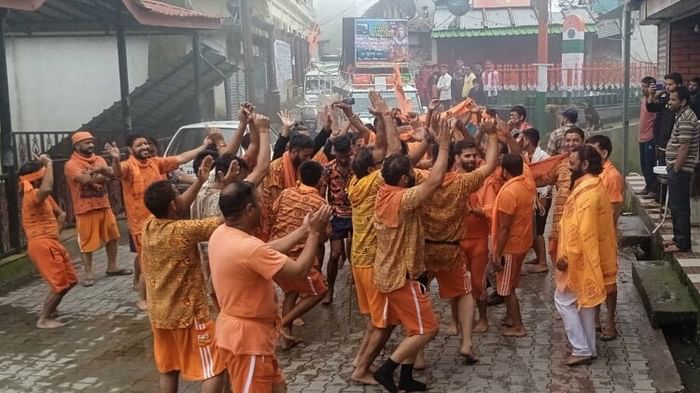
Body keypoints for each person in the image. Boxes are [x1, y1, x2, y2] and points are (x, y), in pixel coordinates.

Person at [208, 180, 331, 393]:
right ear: (249, 210)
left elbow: (267, 249)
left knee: (279, 388)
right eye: (260, 202)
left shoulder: (222, 234)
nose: (264, 207)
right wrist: (314, 233)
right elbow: (300, 270)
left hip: (242, 333)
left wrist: (304, 229)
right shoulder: (249, 248)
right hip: (248, 341)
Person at [371, 116, 453, 393]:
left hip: (391, 273)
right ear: (404, 178)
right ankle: (386, 371)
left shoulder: (382, 190)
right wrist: (443, 146)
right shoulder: (403, 199)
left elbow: (398, 154)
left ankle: (406, 378)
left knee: (411, 326)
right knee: (428, 329)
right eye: (411, 172)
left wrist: (426, 139)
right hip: (402, 277)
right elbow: (437, 179)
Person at [140, 156, 226, 393]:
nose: (181, 196)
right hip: (190, 315)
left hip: (159, 315)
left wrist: (198, 182)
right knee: (214, 368)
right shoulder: (184, 231)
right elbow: (224, 219)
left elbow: (179, 208)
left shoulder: (148, 225)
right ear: (173, 206)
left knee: (169, 369)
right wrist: (227, 188)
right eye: (177, 195)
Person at [418, 119, 499, 361]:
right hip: (451, 249)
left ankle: (418, 354)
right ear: (454, 158)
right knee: (465, 293)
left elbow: (396, 161)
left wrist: (431, 141)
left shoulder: (419, 179)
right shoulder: (461, 183)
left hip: (424, 250)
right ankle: (466, 343)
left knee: (419, 296)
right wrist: (493, 135)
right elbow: (492, 163)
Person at [118, 133, 213, 310]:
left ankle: (137, 283)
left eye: (146, 143)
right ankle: (142, 299)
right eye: (139, 145)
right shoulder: (127, 167)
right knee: (147, 262)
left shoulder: (156, 162)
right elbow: (116, 172)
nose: (145, 147)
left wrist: (203, 146)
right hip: (142, 225)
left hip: (161, 218)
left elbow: (181, 157)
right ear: (131, 150)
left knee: (143, 258)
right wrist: (115, 160)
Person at [555, 145, 616, 366]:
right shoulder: (591, 186)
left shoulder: (588, 193)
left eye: (572, 164)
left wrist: (567, 257)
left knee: (562, 301)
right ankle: (588, 347)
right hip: (588, 257)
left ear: (585, 164)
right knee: (587, 305)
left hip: (580, 258)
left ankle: (581, 348)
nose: (569, 168)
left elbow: (585, 233)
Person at [269, 160, 329, 347]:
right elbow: (326, 235)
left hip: (275, 254)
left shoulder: (286, 193)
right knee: (321, 291)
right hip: (296, 260)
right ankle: (283, 323)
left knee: (292, 291)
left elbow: (273, 213)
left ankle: (286, 337)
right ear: (320, 180)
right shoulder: (320, 203)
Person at [64, 131, 130, 287]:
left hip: (104, 205)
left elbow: (113, 173)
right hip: (85, 209)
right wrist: (104, 173)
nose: (91, 145)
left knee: (113, 237)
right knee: (86, 244)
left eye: (92, 142)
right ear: (77, 145)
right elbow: (85, 179)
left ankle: (112, 266)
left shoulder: (99, 159)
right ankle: (88, 274)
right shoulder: (71, 164)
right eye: (87, 143)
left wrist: (111, 163)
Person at [19, 155, 78, 329]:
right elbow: (47, 188)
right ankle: (44, 319)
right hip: (41, 244)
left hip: (50, 242)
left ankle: (51, 310)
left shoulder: (43, 197)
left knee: (71, 280)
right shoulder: (32, 195)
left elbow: (62, 215)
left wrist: (54, 235)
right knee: (59, 286)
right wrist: (49, 164)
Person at [491, 154, 535, 338]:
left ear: (504, 171)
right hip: (522, 243)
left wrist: (497, 254)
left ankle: (518, 326)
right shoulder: (527, 184)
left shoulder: (509, 192)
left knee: (506, 289)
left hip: (510, 247)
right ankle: (510, 318)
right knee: (510, 283)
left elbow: (504, 227)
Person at [586, 134, 624, 342]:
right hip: (590, 238)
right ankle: (596, 320)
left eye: (593, 150)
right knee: (593, 278)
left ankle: (610, 322)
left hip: (604, 239)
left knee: (608, 283)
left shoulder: (612, 177)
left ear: (604, 153)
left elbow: (614, 210)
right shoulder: (593, 174)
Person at [535, 127, 585, 265]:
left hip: (580, 221)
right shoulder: (560, 163)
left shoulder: (589, 165)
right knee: (559, 261)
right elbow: (542, 179)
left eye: (575, 140)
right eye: (568, 140)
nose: (571, 143)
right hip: (560, 220)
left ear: (583, 141)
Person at [319, 134, 354, 305]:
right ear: (335, 153)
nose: (344, 159)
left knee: (356, 253)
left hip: (356, 214)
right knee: (334, 254)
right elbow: (321, 195)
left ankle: (358, 283)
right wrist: (325, 221)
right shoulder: (328, 168)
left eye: (346, 155)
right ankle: (330, 288)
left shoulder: (358, 165)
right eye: (340, 156)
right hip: (336, 214)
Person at [664, 86, 700, 253]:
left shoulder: (686, 118)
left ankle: (682, 243)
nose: (670, 103)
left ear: (683, 101)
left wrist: (676, 168)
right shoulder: (682, 115)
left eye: (673, 100)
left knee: (680, 206)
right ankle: (677, 237)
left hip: (680, 170)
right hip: (676, 168)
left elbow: (684, 147)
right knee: (675, 205)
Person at [261, 133, 316, 240]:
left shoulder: (299, 166)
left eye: (310, 156)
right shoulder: (276, 167)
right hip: (274, 221)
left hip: (291, 218)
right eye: (305, 156)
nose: (308, 159)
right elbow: (277, 202)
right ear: (294, 151)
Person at [520, 128, 551, 274]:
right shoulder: (526, 156)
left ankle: (543, 262)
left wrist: (542, 198)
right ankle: (539, 258)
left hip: (542, 198)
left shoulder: (543, 156)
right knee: (533, 230)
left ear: (527, 140)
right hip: (532, 197)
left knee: (538, 231)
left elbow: (548, 178)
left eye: (522, 138)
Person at [647, 72, 683, 162]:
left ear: (679, 85)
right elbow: (652, 108)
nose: (667, 87)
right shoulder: (666, 99)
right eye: (666, 84)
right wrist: (651, 95)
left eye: (670, 84)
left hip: (676, 146)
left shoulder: (684, 103)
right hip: (662, 143)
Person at [637, 77, 658, 198]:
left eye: (645, 87)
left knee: (650, 163)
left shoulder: (653, 101)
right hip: (642, 136)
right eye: (642, 87)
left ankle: (653, 189)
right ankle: (647, 186)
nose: (643, 89)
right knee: (644, 163)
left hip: (650, 136)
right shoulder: (643, 99)